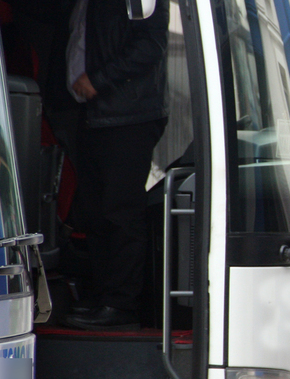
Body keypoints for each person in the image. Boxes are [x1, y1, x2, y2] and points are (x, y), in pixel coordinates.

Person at [62, 0, 170, 331]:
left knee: (120, 211)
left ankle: (120, 306)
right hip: (94, 113)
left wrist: (100, 79)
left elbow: (150, 44)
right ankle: (101, 298)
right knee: (95, 211)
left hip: (126, 115)